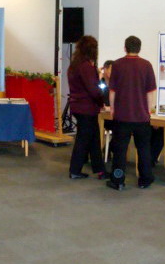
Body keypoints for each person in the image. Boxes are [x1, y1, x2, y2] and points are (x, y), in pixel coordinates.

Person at [107, 36, 157, 190]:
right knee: (143, 149)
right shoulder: (147, 65)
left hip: (122, 117)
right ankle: (145, 180)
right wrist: (148, 110)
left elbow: (112, 91)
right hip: (141, 117)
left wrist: (113, 109)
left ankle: (118, 180)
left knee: (120, 151)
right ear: (139, 48)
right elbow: (151, 92)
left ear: (125, 48)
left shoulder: (117, 65)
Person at [67, 36, 108, 179]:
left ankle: (100, 170)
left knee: (93, 139)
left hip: (78, 106)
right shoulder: (86, 67)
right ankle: (75, 170)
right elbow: (94, 90)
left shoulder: (74, 65)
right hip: (86, 108)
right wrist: (102, 102)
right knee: (84, 140)